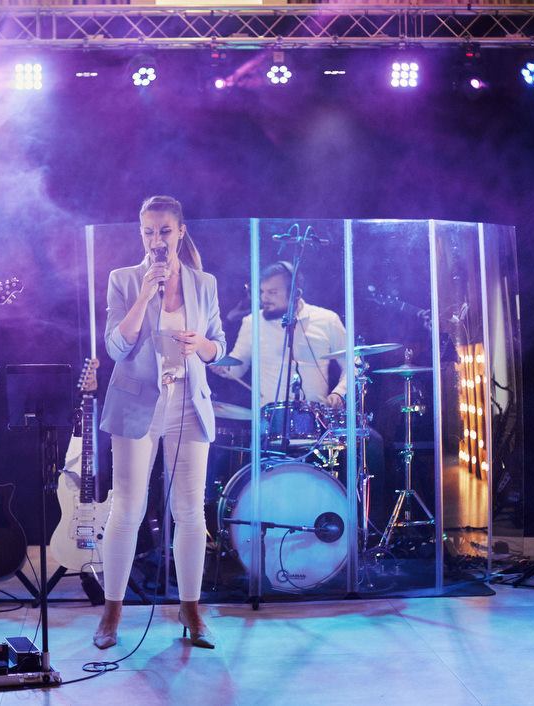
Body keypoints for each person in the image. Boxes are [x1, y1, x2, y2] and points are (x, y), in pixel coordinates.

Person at [94, 196, 225, 649]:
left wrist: (200, 345)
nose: (156, 240)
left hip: (189, 401)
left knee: (190, 511)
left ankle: (191, 610)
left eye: (165, 231)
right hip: (137, 404)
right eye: (148, 231)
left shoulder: (204, 283)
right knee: (127, 508)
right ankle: (111, 612)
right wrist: (146, 293)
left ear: (180, 232)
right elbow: (116, 346)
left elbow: (219, 347)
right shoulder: (124, 279)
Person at [213, 261, 348, 409]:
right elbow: (238, 367)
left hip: (316, 416)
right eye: (262, 292)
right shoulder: (252, 322)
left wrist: (340, 393)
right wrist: (223, 367)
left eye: (272, 292)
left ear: (294, 293)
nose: (264, 298)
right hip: (270, 416)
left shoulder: (327, 319)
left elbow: (351, 364)